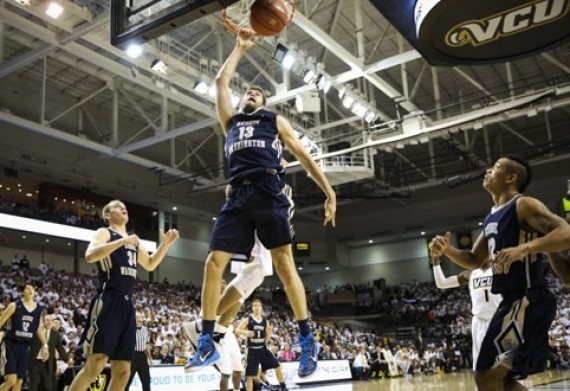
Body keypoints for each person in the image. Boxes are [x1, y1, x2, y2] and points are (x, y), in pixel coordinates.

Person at [185, 30, 336, 379]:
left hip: (268, 187)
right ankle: (207, 339)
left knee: (284, 265)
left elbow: (304, 155)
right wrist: (240, 48)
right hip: (237, 194)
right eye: (249, 92)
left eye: (258, 93)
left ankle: (306, 338)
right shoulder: (231, 123)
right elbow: (221, 81)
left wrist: (329, 191)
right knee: (212, 263)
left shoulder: (273, 120)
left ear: (264, 104)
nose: (252, 93)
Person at [430, 155, 570, 391]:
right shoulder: (492, 216)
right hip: (512, 302)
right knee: (496, 379)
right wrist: (448, 250)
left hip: (528, 300)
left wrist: (525, 247)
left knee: (486, 377)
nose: (487, 171)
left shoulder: (523, 205)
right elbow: (475, 260)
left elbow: (565, 232)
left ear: (511, 177)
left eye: (495, 167)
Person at [68, 199, 179, 391]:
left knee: (123, 371)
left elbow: (151, 263)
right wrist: (123, 241)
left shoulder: (133, 240)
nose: (123, 207)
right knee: (96, 364)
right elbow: (90, 255)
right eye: (117, 206)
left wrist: (165, 245)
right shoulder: (105, 232)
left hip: (127, 306)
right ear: (108, 215)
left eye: (124, 206)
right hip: (108, 299)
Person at [432, 256, 502, 370]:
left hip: (499, 319)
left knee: (507, 361)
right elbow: (442, 283)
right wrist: (435, 260)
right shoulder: (470, 274)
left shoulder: (500, 269)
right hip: (479, 322)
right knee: (481, 366)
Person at [0, 284, 48, 391]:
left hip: (25, 346)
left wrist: (45, 345)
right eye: (27, 288)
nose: (31, 290)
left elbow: (39, 328)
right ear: (22, 292)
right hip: (10, 344)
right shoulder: (14, 305)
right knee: (11, 380)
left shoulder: (39, 309)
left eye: (32, 288)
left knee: (19, 382)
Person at [235, 299, 287, 391]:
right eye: (255, 305)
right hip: (252, 350)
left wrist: (269, 333)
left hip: (263, 349)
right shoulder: (248, 319)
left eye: (258, 305)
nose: (257, 307)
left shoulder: (264, 321)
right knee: (250, 376)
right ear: (252, 308)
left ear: (261, 308)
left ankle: (283, 387)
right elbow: (237, 330)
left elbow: (267, 339)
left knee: (277, 366)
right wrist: (246, 332)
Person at [28, 313, 69, 391]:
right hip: (35, 362)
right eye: (47, 320)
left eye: (51, 320)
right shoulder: (36, 332)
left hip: (47, 364)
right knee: (33, 386)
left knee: (47, 387)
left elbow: (60, 347)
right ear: (43, 322)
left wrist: (67, 359)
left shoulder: (55, 334)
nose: (49, 322)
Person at [124, 311, 152, 391]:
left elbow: (146, 345)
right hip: (132, 355)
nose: (140, 318)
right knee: (127, 380)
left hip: (142, 356)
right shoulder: (129, 329)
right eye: (137, 317)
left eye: (141, 317)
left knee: (146, 380)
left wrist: (150, 359)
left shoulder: (145, 329)